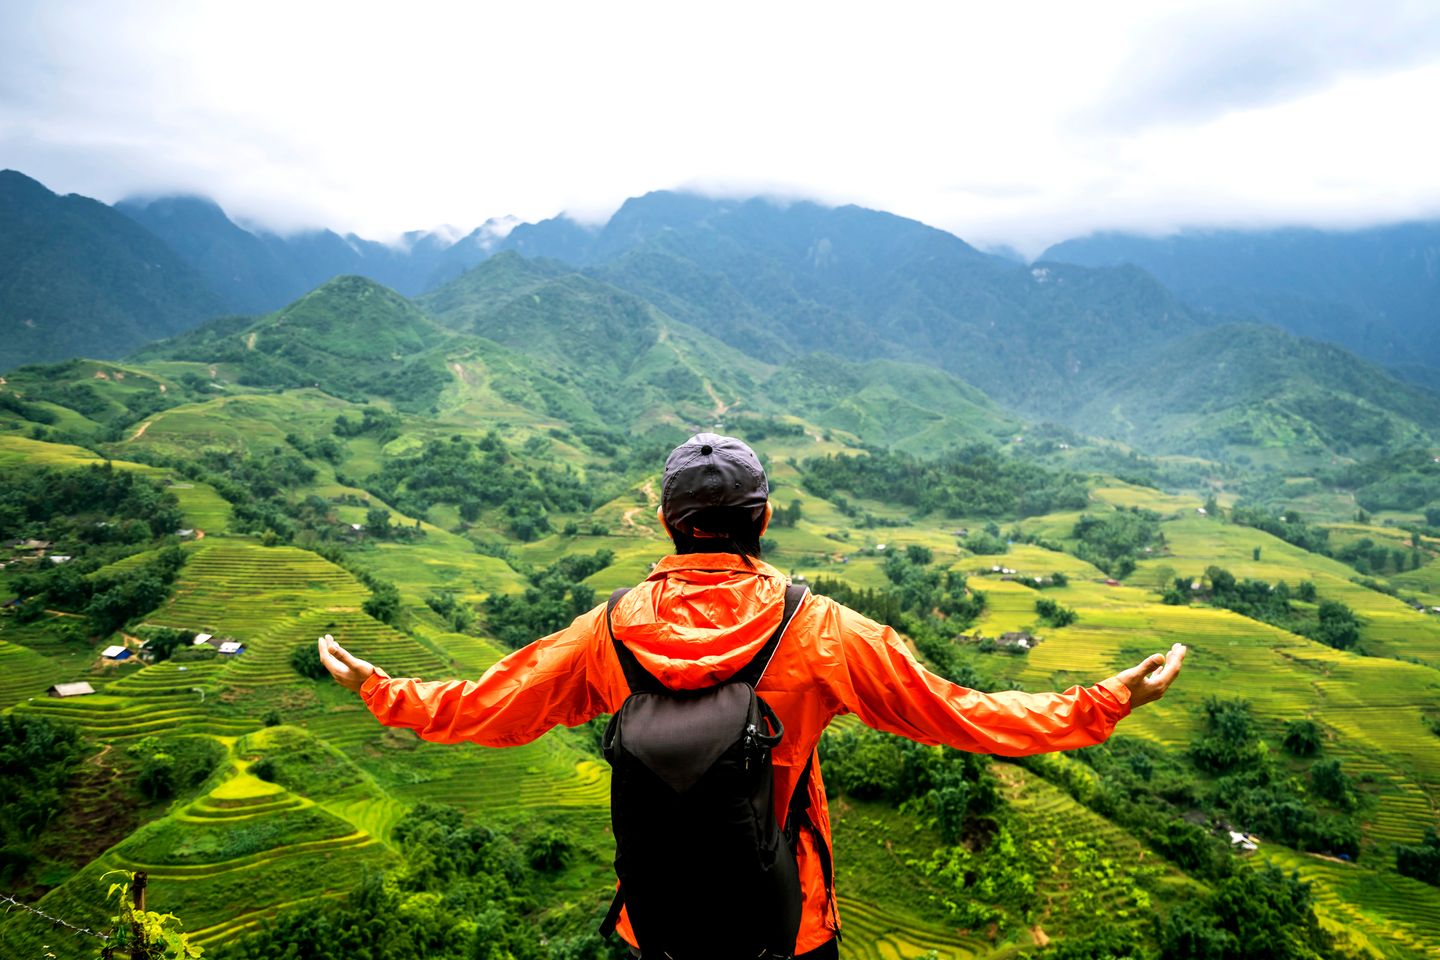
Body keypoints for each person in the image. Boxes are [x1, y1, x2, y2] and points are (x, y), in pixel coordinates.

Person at [319, 432, 1187, 959]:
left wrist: (384, 691)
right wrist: (1102, 701)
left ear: (665, 522)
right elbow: (961, 715)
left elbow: (489, 706)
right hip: (788, 925)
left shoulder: (608, 631)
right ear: (762, 519)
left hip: (652, 926)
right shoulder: (823, 633)